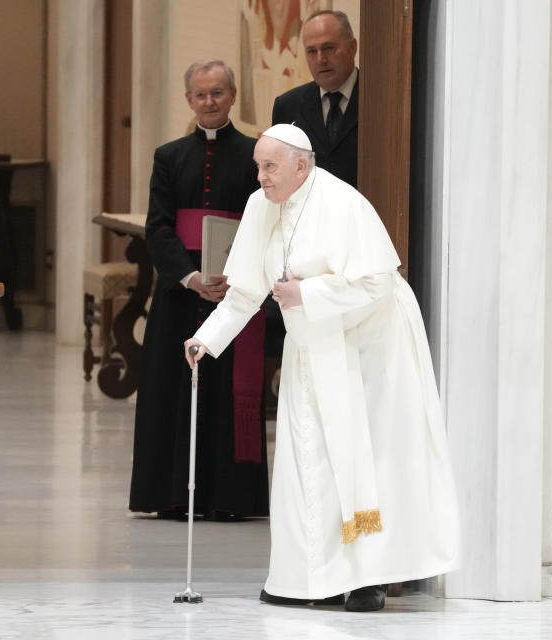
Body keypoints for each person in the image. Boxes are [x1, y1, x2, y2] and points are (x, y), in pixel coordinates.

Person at [184, 124, 460, 611]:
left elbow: (376, 284)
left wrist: (306, 293)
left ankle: (369, 579)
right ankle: (308, 578)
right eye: (258, 167)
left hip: (370, 346)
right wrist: (207, 338)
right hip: (313, 340)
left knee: (367, 460)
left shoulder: (343, 203)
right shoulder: (259, 205)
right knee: (306, 457)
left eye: (270, 167)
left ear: (301, 165)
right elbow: (247, 288)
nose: (262, 177)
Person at [129, 60, 268, 522]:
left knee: (225, 395)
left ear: (232, 96)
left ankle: (229, 497)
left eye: (218, 93)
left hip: (234, 293)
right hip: (179, 294)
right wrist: (190, 277)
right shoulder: (168, 156)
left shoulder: (254, 155)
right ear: (188, 99)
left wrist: (236, 278)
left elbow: (263, 225)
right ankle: (171, 496)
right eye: (200, 95)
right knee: (172, 391)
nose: (209, 102)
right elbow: (158, 229)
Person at [271, 10, 359, 187]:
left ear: (352, 47)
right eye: (312, 51)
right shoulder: (288, 106)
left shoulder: (378, 100)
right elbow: (278, 176)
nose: (321, 59)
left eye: (328, 48)